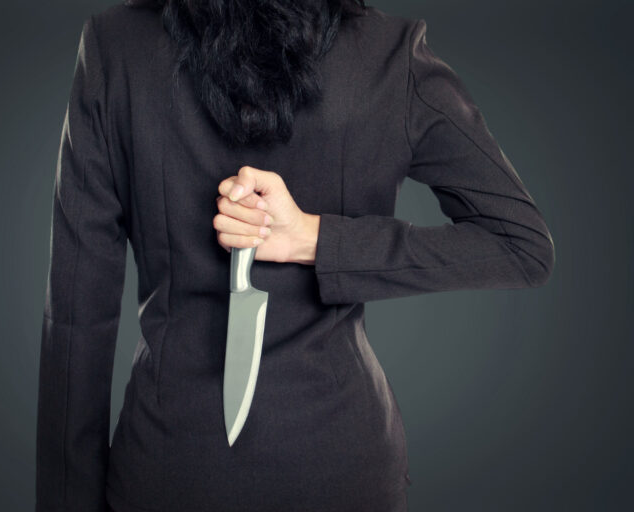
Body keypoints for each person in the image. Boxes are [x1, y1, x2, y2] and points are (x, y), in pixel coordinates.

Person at [35, 1, 555, 511]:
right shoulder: (388, 54)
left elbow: (78, 317)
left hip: (174, 464)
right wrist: (328, 243)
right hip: (339, 462)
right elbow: (518, 243)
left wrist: (312, 237)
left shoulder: (116, 47)